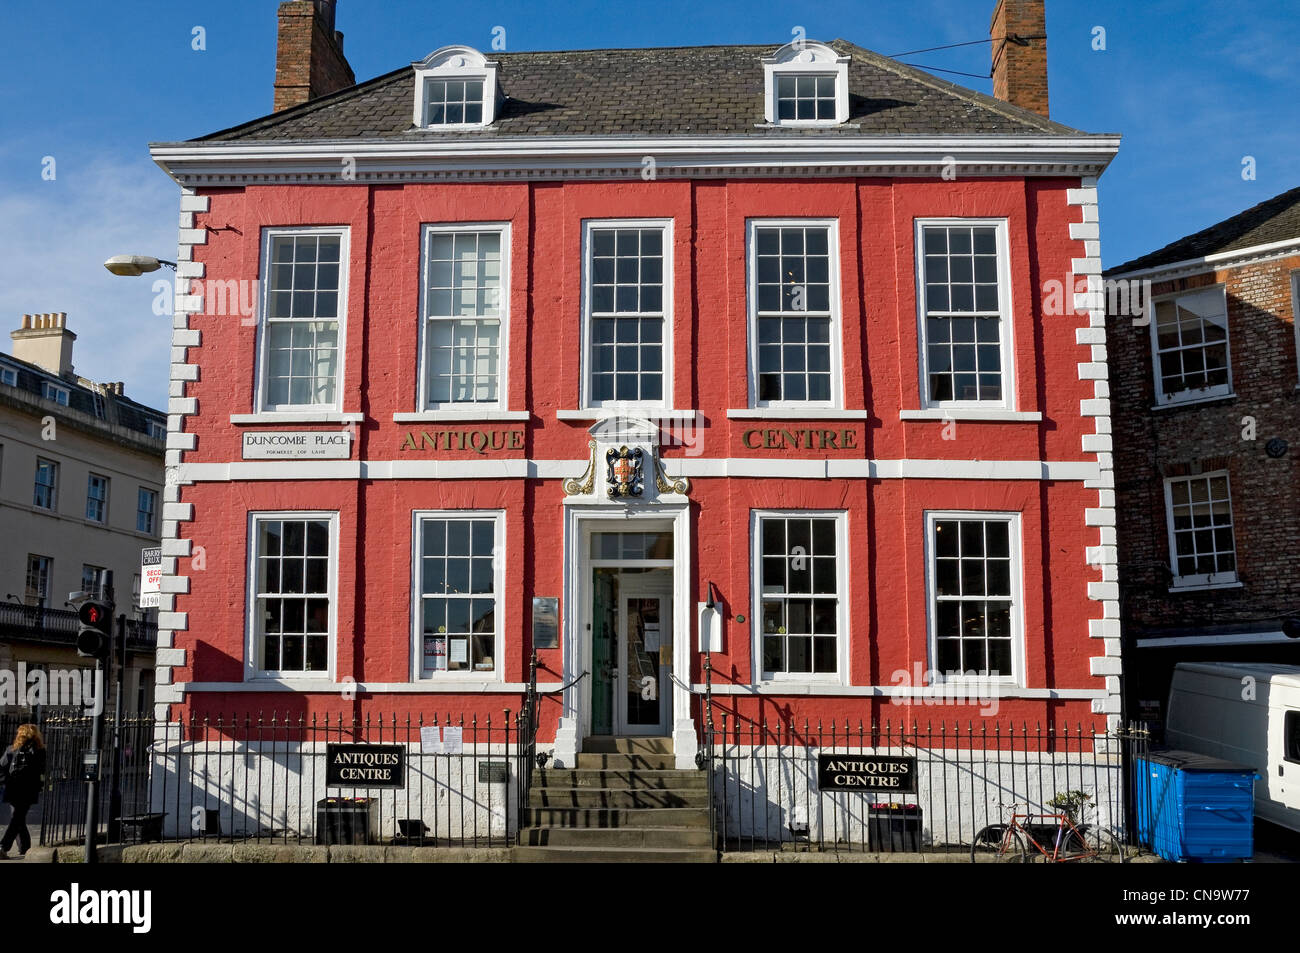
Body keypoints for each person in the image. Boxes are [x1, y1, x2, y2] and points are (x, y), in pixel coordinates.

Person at [0, 724, 47, 858]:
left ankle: (22, 848)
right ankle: (6, 846)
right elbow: (42, 771)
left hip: (12, 789)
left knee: (17, 818)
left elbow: (1, 767)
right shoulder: (40, 751)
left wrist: (5, 781)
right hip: (28, 790)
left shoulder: (11, 749)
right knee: (18, 818)